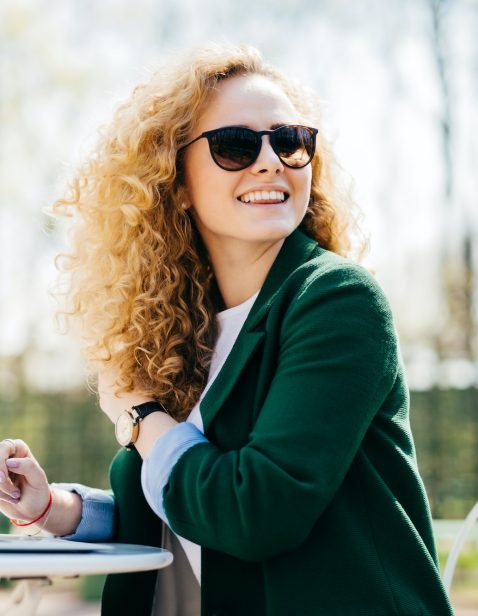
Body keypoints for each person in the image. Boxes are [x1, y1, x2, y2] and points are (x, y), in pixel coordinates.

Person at [0, 42, 454, 616]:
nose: (271, 161)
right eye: (235, 145)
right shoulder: (177, 329)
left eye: (290, 141)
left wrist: (140, 416)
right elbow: (190, 501)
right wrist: (56, 508)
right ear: (176, 183)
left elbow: (253, 514)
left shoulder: (337, 302)